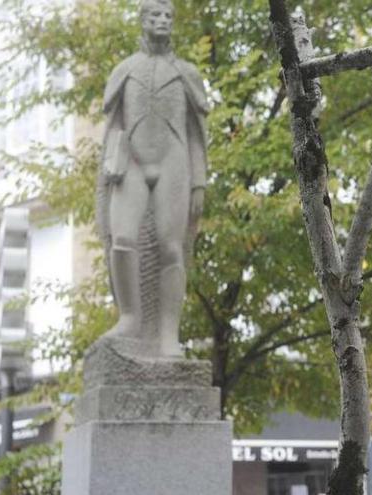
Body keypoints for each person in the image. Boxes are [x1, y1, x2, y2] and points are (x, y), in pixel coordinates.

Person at [96, 0, 208, 356]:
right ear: (142, 20)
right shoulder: (126, 70)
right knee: (123, 239)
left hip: (174, 161)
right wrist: (107, 171)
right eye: (155, 15)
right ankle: (129, 318)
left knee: (170, 247)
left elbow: (195, 133)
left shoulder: (186, 72)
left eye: (168, 16)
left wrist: (199, 181)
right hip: (130, 160)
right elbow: (113, 126)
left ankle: (167, 336)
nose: (162, 21)